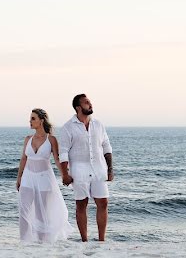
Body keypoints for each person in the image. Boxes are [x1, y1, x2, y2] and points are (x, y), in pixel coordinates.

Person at [57, 94, 113, 242]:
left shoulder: (98, 124)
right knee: (81, 204)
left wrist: (110, 169)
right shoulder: (67, 127)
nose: (90, 104)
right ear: (78, 107)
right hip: (79, 172)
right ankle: (84, 241)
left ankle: (102, 240)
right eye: (87, 102)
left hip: (99, 169)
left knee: (103, 202)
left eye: (90, 102)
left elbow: (106, 146)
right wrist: (65, 174)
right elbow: (63, 152)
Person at [16, 108, 73, 242]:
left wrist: (65, 174)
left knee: (41, 214)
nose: (30, 121)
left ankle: (42, 246)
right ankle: (24, 243)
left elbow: (57, 160)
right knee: (23, 211)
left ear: (41, 121)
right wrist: (19, 177)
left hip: (44, 179)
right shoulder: (28, 139)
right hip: (28, 178)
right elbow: (23, 158)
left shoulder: (51, 139)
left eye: (33, 118)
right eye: (30, 118)